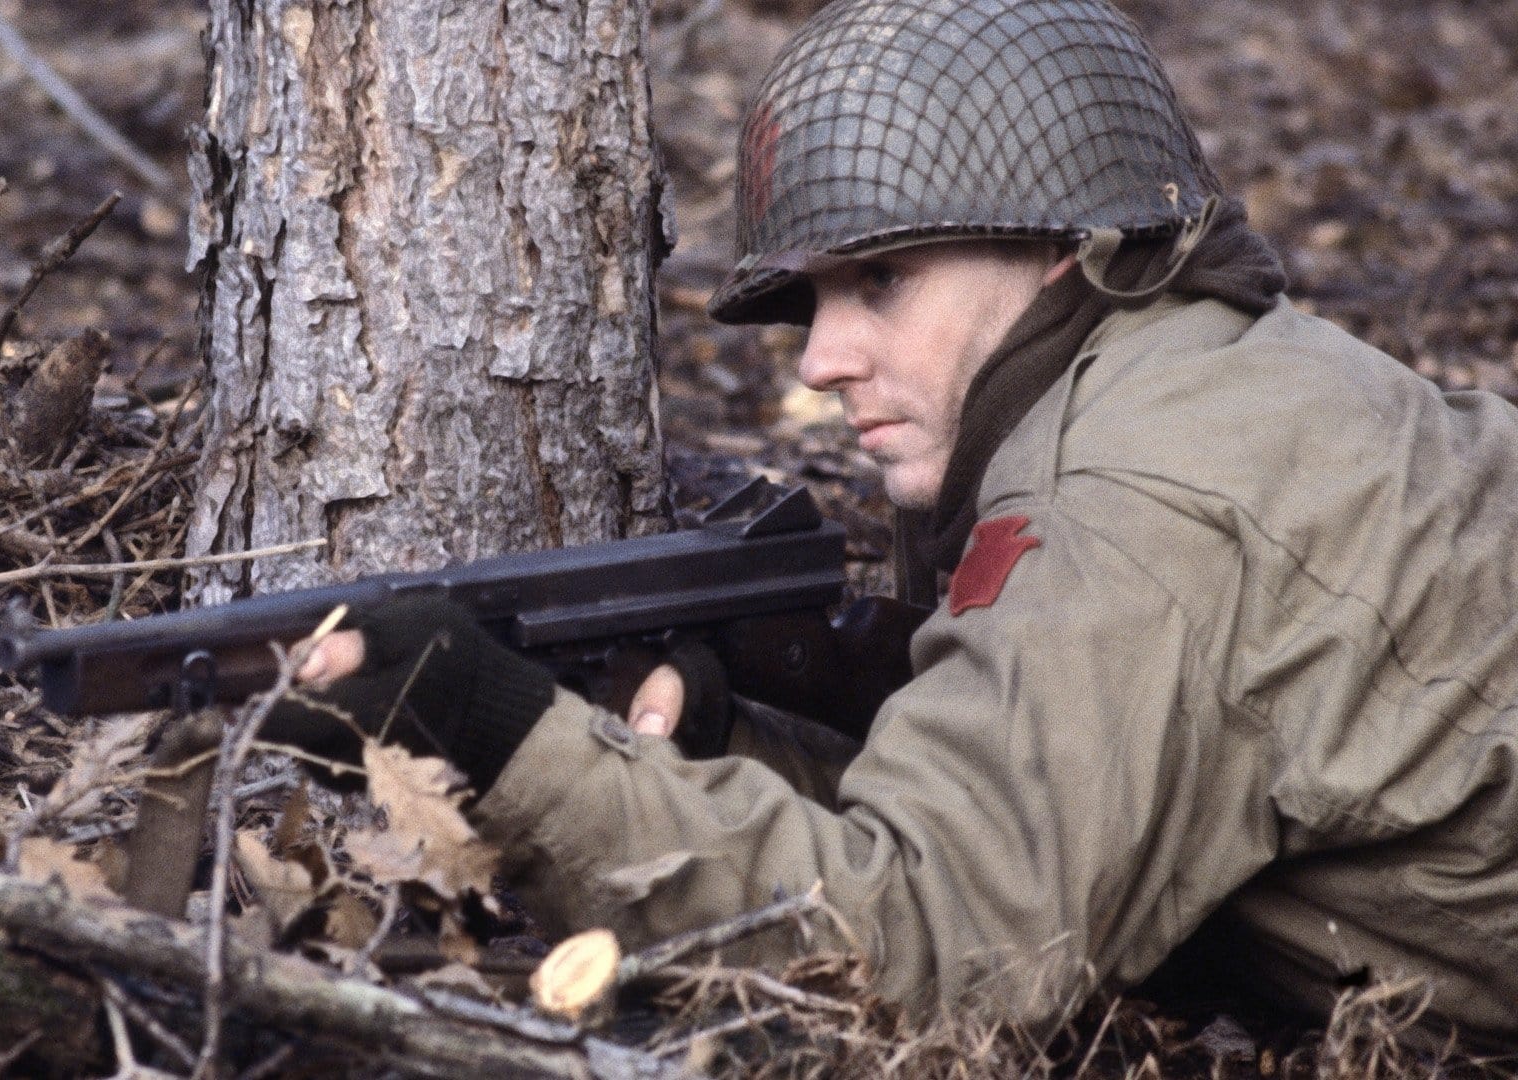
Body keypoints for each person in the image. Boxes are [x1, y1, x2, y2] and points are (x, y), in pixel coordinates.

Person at [279, 0, 1518, 1044]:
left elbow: (929, 966)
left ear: (1061, 250)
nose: (820, 359)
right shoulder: (1205, 374)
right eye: (816, 297)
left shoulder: (1131, 506)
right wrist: (715, 743)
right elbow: (1037, 822)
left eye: (883, 280)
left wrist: (508, 741)